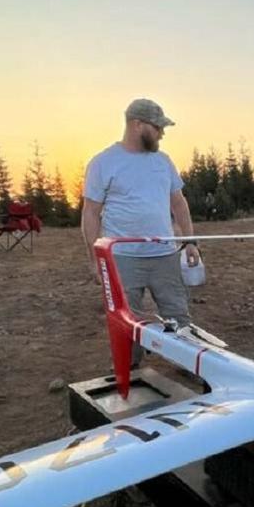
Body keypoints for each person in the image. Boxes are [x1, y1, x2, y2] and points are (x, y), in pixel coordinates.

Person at [81, 98, 200, 363]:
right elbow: (90, 212)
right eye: (157, 127)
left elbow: (179, 203)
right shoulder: (103, 163)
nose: (162, 133)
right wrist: (95, 260)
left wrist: (190, 242)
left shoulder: (163, 161)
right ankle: (131, 371)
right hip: (123, 259)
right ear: (137, 125)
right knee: (126, 319)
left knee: (178, 315)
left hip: (165, 256)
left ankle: (187, 364)